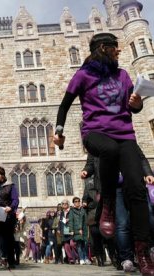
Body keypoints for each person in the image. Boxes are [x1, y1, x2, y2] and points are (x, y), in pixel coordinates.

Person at [53, 32, 154, 274]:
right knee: (107, 150)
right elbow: (65, 104)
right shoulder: (83, 75)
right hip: (95, 132)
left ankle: (143, 251)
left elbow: (135, 107)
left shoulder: (123, 75)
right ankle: (107, 201)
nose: (119, 51)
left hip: (125, 135)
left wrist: (136, 103)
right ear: (103, 48)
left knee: (137, 190)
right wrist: (58, 131)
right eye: (115, 47)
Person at [0, 166, 19, 269]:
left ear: (2, 175)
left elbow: (15, 199)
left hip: (7, 214)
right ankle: (0, 257)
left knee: (8, 238)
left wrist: (11, 207)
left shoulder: (10, 186)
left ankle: (11, 260)